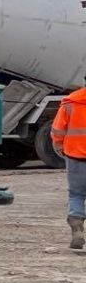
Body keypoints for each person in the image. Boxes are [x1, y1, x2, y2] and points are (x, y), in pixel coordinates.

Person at [52, 79, 86, 250]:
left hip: (75, 156)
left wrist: (58, 145)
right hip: (75, 154)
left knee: (76, 195)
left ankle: (77, 228)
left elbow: (58, 129)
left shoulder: (70, 102)